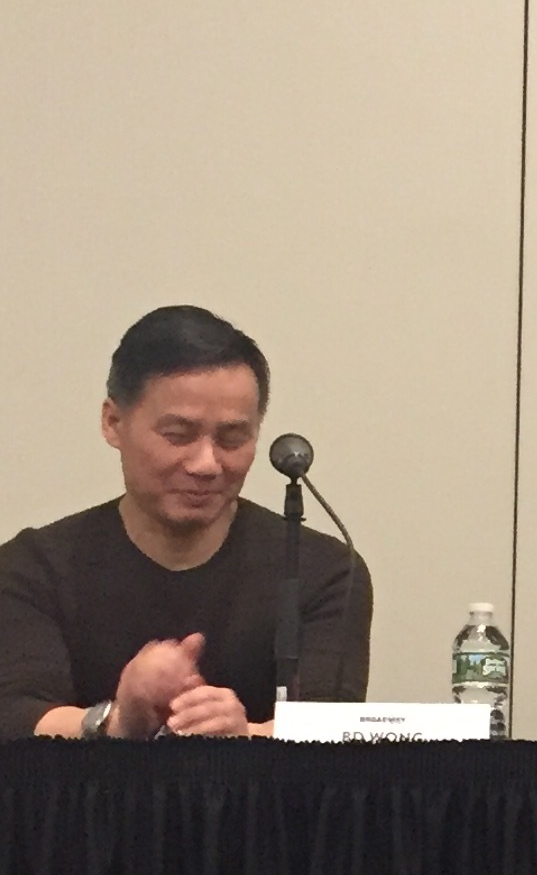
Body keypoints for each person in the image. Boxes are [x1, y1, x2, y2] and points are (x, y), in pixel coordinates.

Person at [0, 305, 370, 740]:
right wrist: (118, 722)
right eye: (178, 435)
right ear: (113, 422)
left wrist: (244, 735)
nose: (206, 464)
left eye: (232, 438)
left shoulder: (325, 571)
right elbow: (16, 717)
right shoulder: (34, 567)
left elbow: (334, 728)